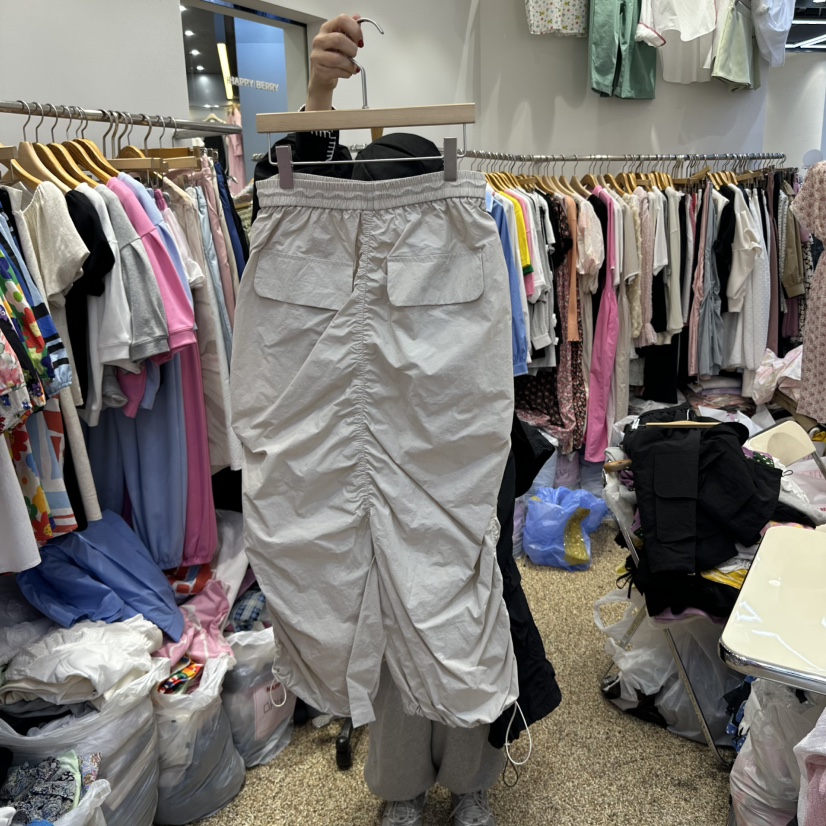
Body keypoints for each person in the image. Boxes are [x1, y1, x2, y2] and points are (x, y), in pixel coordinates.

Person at [251, 14, 561, 826]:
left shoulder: (470, 217)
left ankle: (474, 778)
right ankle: (399, 788)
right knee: (381, 599)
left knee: (463, 587)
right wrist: (319, 90)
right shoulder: (311, 208)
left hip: (451, 410)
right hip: (345, 352)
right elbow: (288, 180)